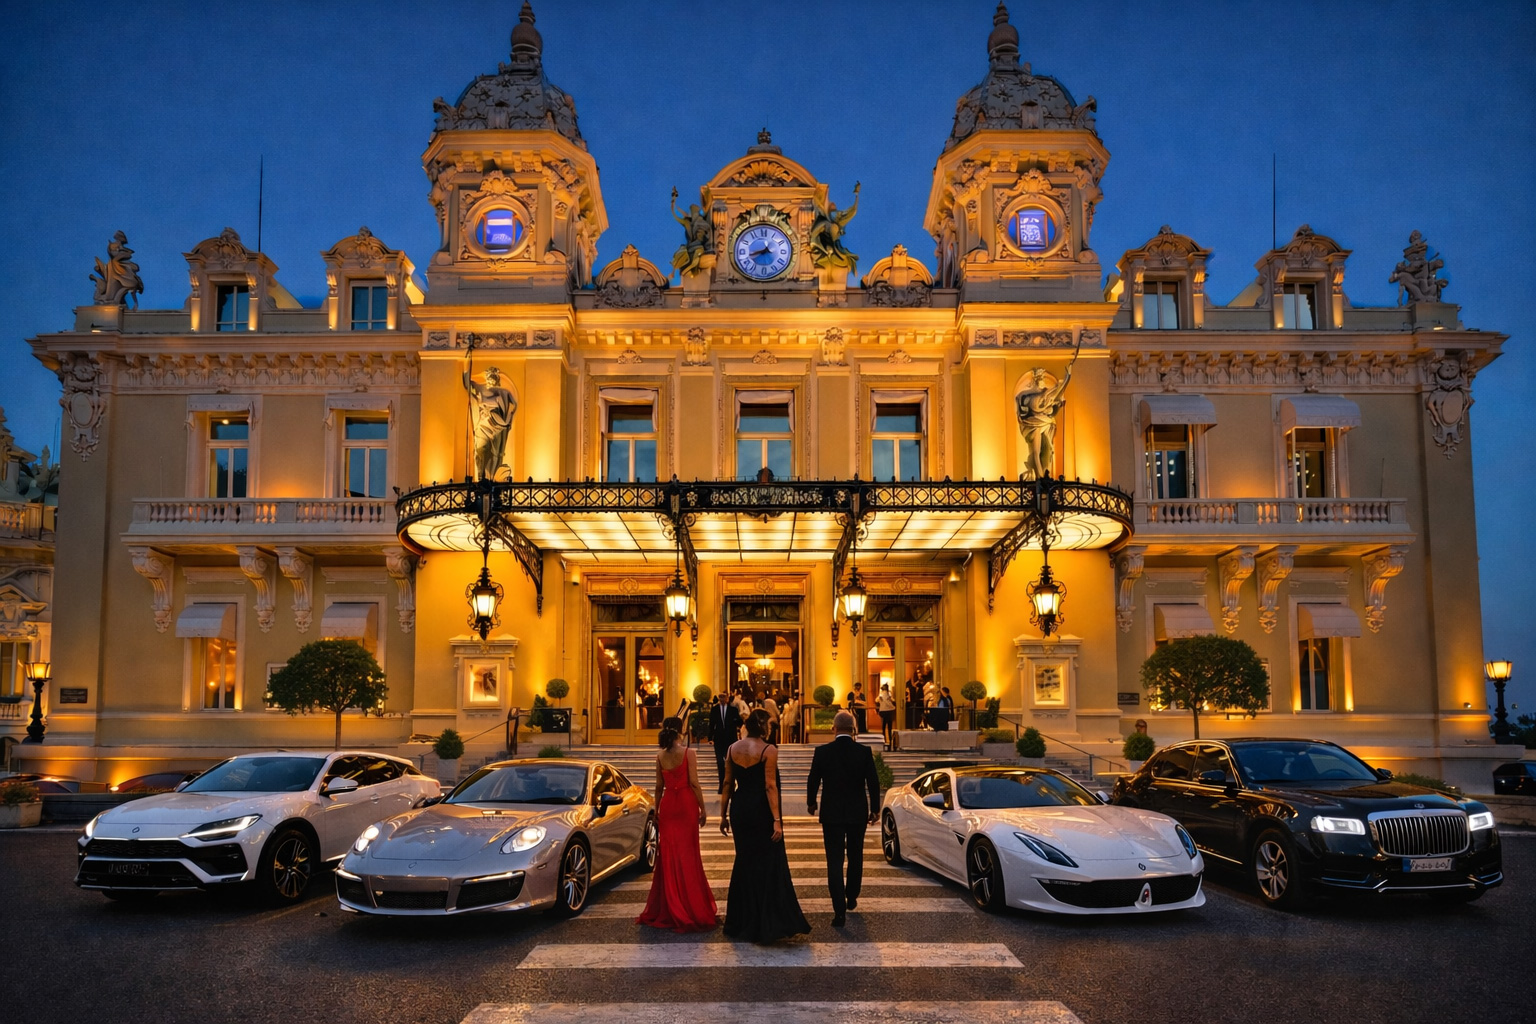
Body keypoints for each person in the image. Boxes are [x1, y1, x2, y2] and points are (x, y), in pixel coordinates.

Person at [720, 709, 810, 943]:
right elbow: (770, 786)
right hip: (760, 810)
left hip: (740, 808)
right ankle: (766, 921)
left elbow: (728, 783)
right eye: (769, 724)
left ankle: (741, 920)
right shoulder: (769, 750)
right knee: (767, 863)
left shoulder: (732, 748)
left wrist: (722, 815)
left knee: (744, 861)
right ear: (762, 726)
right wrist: (777, 820)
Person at [637, 717, 718, 933]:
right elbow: (694, 782)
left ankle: (670, 903)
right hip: (685, 804)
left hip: (668, 806)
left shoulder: (660, 756)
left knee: (669, 854)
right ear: (681, 731)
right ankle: (691, 904)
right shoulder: (689, 753)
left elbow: (658, 786)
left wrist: (657, 810)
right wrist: (703, 808)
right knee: (689, 854)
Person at [806, 710, 881, 927]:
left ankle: (839, 911)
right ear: (854, 729)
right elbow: (873, 783)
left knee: (835, 860)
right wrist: (875, 809)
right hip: (857, 812)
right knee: (856, 855)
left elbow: (813, 780)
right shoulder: (863, 752)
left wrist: (812, 803)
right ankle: (852, 896)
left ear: (834, 728)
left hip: (831, 813)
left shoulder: (822, 752)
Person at [709, 692, 742, 794]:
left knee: (731, 763)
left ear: (727, 698)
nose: (722, 699)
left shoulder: (733, 710)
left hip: (730, 739)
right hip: (719, 739)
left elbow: (739, 722)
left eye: (724, 697)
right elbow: (711, 724)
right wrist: (710, 738)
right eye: (720, 697)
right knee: (720, 762)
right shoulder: (714, 710)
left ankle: (731, 785)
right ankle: (721, 786)